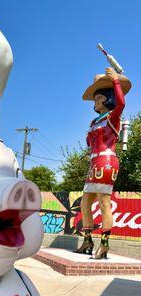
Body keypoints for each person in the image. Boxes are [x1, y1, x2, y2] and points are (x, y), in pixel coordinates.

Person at [75, 67, 131, 259]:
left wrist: (116, 80)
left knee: (104, 203)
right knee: (85, 203)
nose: (96, 102)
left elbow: (122, 104)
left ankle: (105, 244)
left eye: (100, 98)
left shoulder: (112, 117)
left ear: (108, 98)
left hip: (106, 160)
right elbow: (90, 144)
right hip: (94, 162)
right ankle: (88, 240)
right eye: (95, 99)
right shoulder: (94, 121)